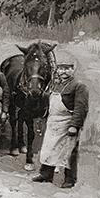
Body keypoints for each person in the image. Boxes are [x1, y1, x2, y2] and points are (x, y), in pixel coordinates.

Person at [33, 54, 90, 188]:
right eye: (61, 68)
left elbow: (81, 108)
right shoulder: (55, 85)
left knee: (68, 151)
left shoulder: (79, 86)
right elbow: (49, 103)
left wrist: (74, 125)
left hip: (67, 122)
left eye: (67, 68)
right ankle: (46, 174)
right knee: (49, 148)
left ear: (73, 69)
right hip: (53, 122)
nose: (63, 71)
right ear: (57, 70)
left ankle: (70, 179)